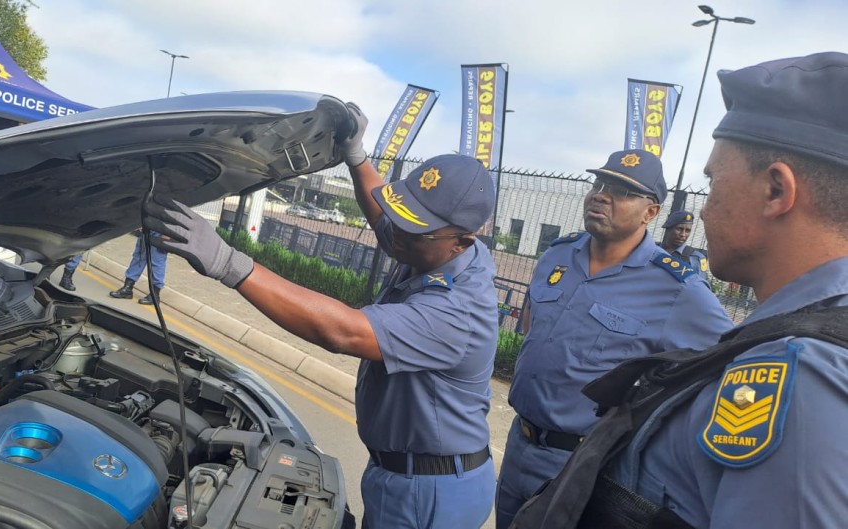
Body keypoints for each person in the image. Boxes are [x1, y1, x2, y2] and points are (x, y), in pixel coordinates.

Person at [509, 51, 848, 529]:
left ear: (776, 191)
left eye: (713, 182)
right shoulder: (788, 337)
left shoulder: (800, 373)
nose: (702, 211)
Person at [142, 103, 500, 528]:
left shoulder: (457, 311)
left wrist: (227, 263)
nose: (398, 232)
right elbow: (387, 223)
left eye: (416, 227)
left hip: (431, 491)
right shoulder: (435, 251)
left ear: (461, 241)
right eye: (403, 213)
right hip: (404, 473)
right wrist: (357, 157)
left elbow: (343, 332)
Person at [495, 149, 734, 528]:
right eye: (600, 184)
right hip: (518, 442)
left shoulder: (676, 288)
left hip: (582, 464)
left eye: (621, 191)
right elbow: (532, 326)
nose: (602, 195)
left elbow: (728, 363)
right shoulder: (558, 255)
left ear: (650, 212)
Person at [108, 229, 168, 305]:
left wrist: (168, 233)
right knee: (138, 258)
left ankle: (154, 295)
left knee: (157, 263)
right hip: (148, 228)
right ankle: (128, 288)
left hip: (162, 231)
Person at [659, 210, 709, 275]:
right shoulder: (654, 250)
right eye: (679, 229)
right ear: (668, 229)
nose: (683, 234)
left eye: (687, 231)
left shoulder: (696, 258)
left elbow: (699, 281)